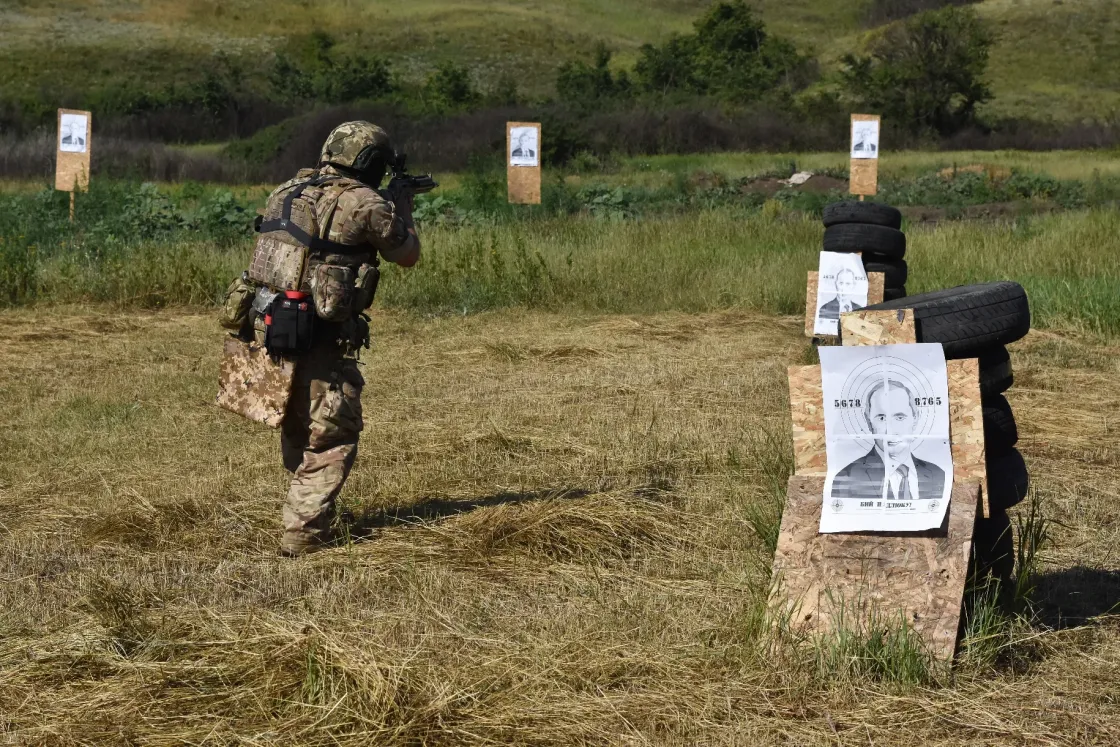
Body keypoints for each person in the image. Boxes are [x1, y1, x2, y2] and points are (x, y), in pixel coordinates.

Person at [243, 121, 421, 556]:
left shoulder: (286, 190)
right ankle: (303, 536)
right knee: (332, 435)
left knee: (298, 420)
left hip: (271, 324)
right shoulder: (366, 202)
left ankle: (308, 505)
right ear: (371, 163)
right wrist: (402, 208)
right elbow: (407, 255)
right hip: (322, 332)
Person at [830, 379, 945, 503]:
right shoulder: (846, 479)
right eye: (881, 418)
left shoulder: (939, 475)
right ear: (869, 422)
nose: (890, 430)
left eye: (900, 417)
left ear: (915, 418)